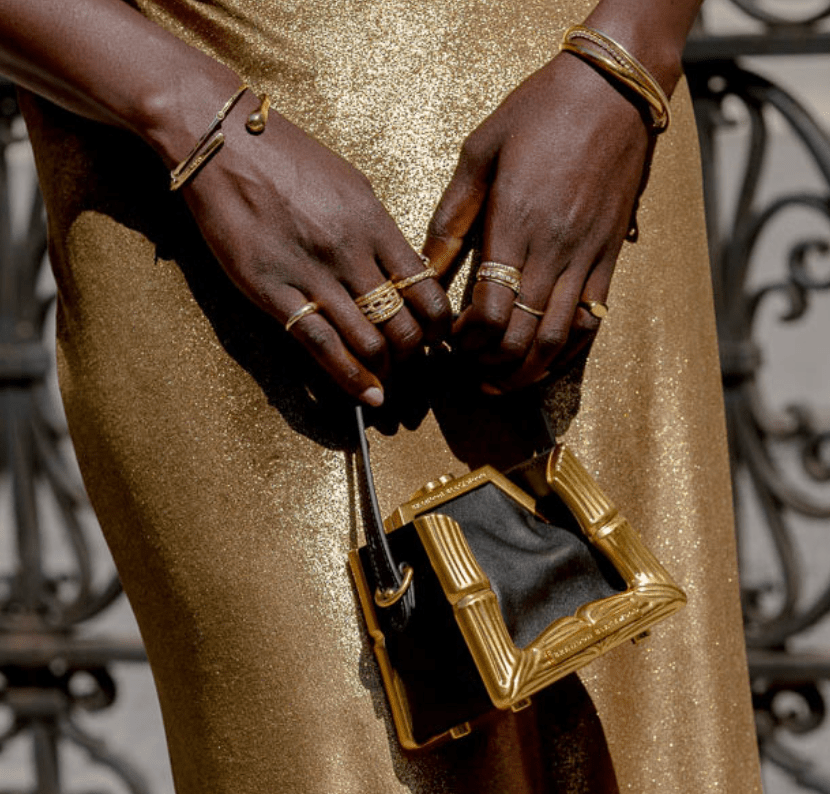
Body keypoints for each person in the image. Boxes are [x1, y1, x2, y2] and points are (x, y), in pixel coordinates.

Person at [0, 0, 761, 791]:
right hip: (221, 213)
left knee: (653, 742)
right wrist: (190, 114)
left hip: (590, 147)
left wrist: (634, 46)